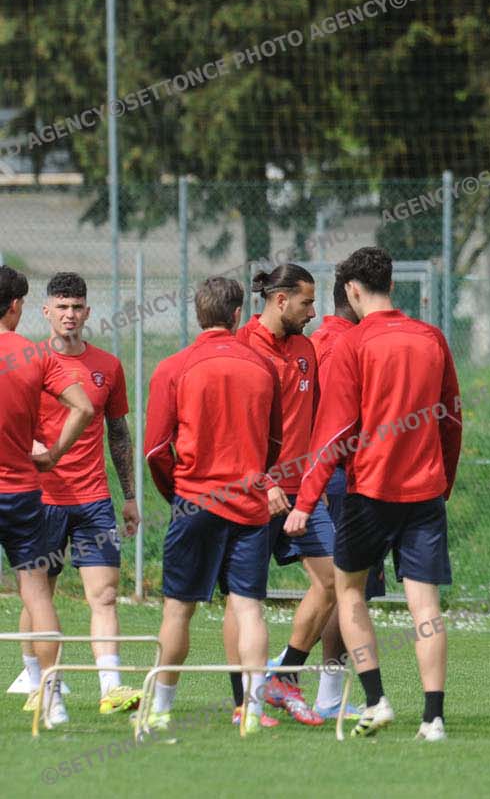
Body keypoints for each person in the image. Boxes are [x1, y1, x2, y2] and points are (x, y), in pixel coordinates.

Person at [288, 246, 461, 741]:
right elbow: (451, 418)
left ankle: (375, 699)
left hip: (369, 492)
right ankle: (433, 718)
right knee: (425, 607)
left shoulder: (352, 344)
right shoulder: (432, 338)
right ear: (392, 285)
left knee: (349, 592)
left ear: (352, 291)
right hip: (424, 495)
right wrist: (443, 481)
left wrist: (305, 502)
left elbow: (333, 434)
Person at [142, 277, 282, 736]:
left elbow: (155, 449)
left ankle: (161, 709)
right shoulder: (263, 366)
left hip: (194, 501)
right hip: (248, 505)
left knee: (177, 610)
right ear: (238, 314)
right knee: (248, 609)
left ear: (198, 314)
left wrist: (177, 493)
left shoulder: (174, 367)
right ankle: (253, 711)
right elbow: (275, 442)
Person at [16, 274, 141, 717]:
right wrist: (30, 447)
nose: (70, 315)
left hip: (94, 501)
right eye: (62, 307)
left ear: (88, 312)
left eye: (77, 307)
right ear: (46, 311)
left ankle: (112, 687)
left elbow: (118, 433)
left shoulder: (108, 365)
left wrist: (130, 495)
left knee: (104, 595)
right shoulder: (29, 362)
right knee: (39, 596)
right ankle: (36, 680)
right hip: (41, 499)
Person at [230, 264, 327, 727]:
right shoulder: (242, 347)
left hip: (302, 490)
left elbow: (316, 418)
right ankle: (242, 703)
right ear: (281, 300)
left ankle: (284, 675)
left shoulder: (307, 349)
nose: (313, 312)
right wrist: (262, 480)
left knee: (335, 581)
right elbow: (233, 430)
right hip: (254, 489)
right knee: (243, 597)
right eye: (307, 303)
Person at [0, 266, 95, 728]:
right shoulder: (36, 355)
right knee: (37, 594)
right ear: (17, 306)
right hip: (21, 493)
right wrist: (53, 453)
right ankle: (52, 697)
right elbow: (85, 406)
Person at [303, 269, 377, 719]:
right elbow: (333, 422)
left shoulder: (322, 341)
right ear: (354, 294)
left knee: (343, 589)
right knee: (348, 588)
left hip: (336, 476)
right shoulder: (340, 345)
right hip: (341, 478)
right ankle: (324, 692)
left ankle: (290, 675)